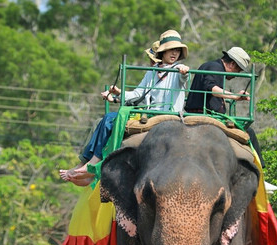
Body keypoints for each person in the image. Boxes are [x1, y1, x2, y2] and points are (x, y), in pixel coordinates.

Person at [60, 31, 189, 186]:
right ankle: (86, 163)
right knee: (106, 119)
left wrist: (183, 72)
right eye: (170, 49)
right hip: (150, 113)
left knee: (110, 119)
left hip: (167, 114)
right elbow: (138, 93)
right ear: (162, 52)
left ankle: (92, 164)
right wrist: (116, 97)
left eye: (177, 50)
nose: (174, 52)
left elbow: (184, 78)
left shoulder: (179, 70)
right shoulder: (153, 71)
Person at [184, 46, 251, 115]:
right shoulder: (216, 67)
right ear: (232, 64)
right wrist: (235, 96)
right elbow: (210, 87)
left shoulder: (213, 66)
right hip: (204, 114)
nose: (236, 75)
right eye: (238, 71)